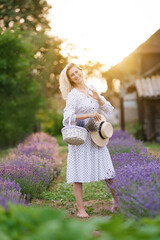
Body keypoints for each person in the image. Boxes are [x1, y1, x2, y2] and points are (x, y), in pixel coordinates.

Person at [59, 63, 118, 218]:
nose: (76, 75)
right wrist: (89, 115)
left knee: (108, 170)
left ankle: (117, 201)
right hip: (81, 137)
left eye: (77, 71)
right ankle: (81, 209)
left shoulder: (92, 88)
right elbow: (67, 118)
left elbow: (108, 109)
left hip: (97, 136)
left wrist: (99, 99)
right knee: (78, 173)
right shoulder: (73, 94)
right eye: (72, 74)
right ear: (70, 79)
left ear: (81, 71)